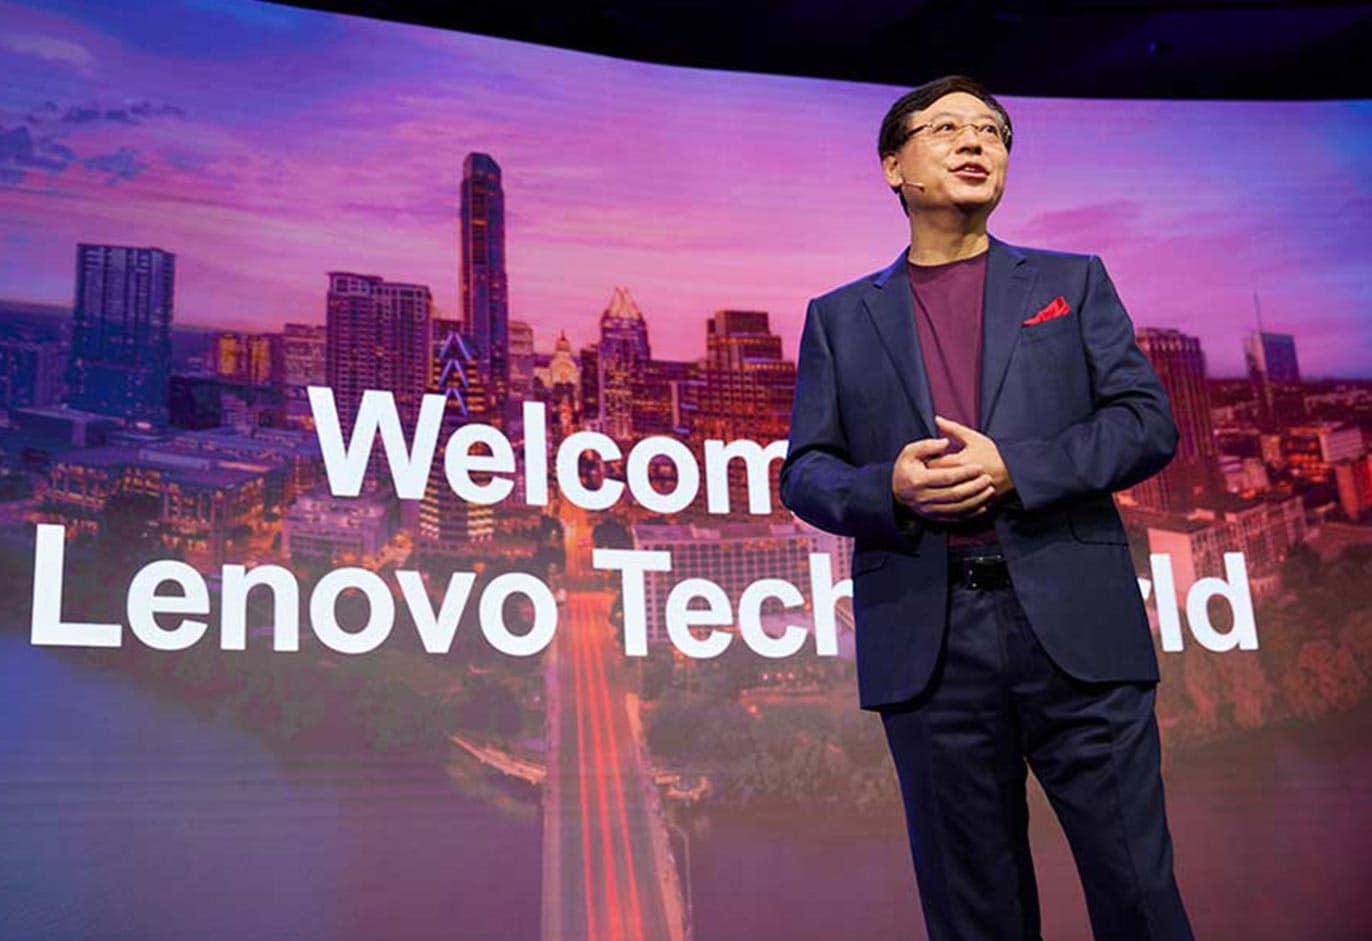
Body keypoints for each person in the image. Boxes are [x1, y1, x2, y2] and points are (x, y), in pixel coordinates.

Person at [778, 75, 1195, 940]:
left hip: (1077, 631)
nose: (977, 143)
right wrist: (884, 485)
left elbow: (1146, 424)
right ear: (894, 165)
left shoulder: (1072, 282)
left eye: (994, 131)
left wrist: (1017, 468)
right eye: (948, 129)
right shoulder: (838, 318)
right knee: (976, 915)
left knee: (1141, 898)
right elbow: (806, 472)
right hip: (929, 646)